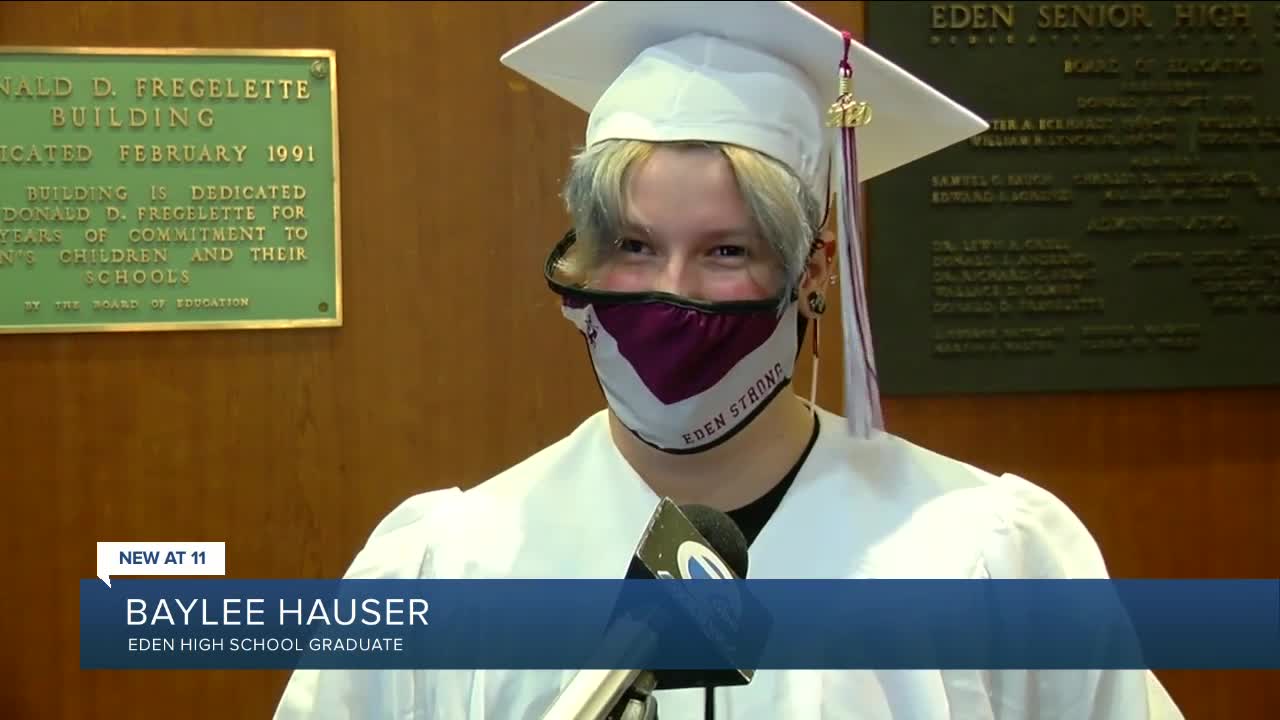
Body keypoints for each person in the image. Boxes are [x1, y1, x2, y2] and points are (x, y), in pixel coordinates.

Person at [274, 2, 1185, 718]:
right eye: (632, 245)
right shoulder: (453, 566)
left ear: (811, 268)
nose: (672, 293)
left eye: (725, 252)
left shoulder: (985, 559)